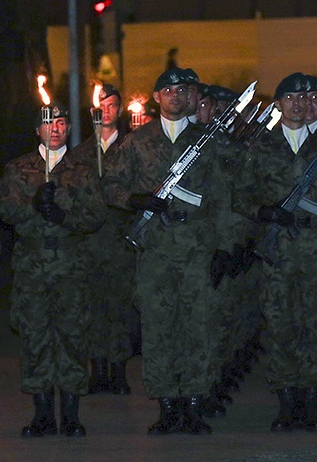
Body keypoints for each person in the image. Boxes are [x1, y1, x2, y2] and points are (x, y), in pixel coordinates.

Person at [105, 67, 240, 436]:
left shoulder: (208, 140)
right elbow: (111, 185)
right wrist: (134, 199)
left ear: (194, 96)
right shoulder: (137, 142)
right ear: (156, 97)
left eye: (183, 90)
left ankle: (194, 404)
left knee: (198, 326)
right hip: (156, 249)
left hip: (198, 246)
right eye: (168, 90)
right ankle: (167, 406)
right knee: (158, 328)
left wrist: (225, 248)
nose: (176, 96)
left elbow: (223, 198)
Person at [236, 72, 317, 433]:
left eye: (306, 99)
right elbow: (240, 195)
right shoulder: (261, 146)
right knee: (280, 327)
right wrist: (264, 212)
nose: (300, 105)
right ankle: (288, 403)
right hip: (278, 250)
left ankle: (315, 401)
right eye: (291, 99)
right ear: (279, 105)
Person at [0, 102, 105, 437]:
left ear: (69, 129)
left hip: (71, 264)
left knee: (73, 336)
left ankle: (71, 413)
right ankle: (42, 413)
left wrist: (63, 217)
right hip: (32, 265)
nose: (55, 129)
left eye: (61, 123)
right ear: (37, 130)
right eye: (48, 123)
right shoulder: (19, 169)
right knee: (35, 336)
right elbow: (4, 209)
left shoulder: (83, 170)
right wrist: (32, 205)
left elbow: (97, 215)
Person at [70, 85, 137, 396]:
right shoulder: (81, 153)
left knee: (121, 306)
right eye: (101, 106)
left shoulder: (132, 147)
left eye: (112, 105)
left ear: (120, 110)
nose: (106, 111)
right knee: (93, 305)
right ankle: (97, 369)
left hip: (122, 239)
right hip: (90, 241)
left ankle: (119, 369)